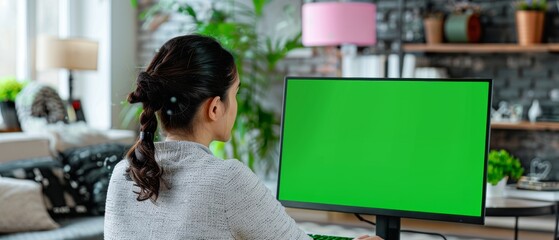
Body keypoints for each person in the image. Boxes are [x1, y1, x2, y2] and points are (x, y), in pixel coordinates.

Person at [104, 34, 382, 240]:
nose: (235, 105)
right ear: (214, 108)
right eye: (235, 94)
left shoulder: (122, 174)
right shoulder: (226, 180)